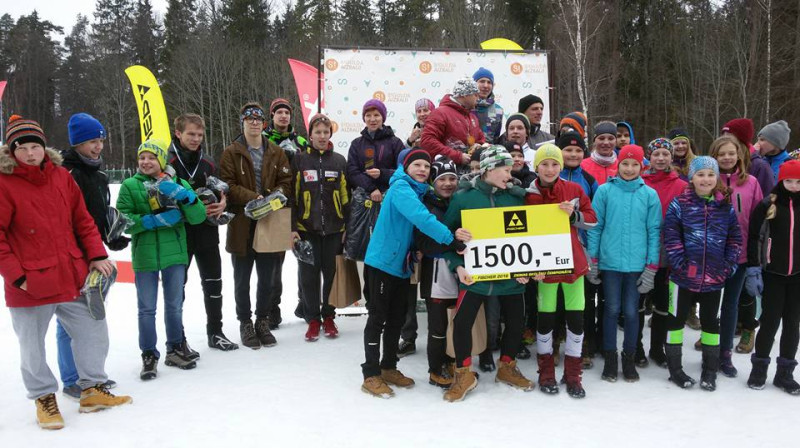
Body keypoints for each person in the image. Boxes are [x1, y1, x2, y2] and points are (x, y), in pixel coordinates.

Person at [1, 115, 131, 430]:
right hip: (30, 282)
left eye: (36, 146)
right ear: (12, 151)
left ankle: (92, 389)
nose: (31, 154)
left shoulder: (61, 176)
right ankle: (44, 397)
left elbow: (82, 220)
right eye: (24, 148)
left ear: (45, 147)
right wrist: (17, 276)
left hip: (72, 273)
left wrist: (97, 255)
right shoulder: (4, 183)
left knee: (93, 330)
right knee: (32, 345)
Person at [360, 149, 468, 398]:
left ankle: (388, 367)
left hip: (401, 264)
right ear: (406, 167)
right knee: (378, 317)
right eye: (417, 165)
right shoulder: (400, 188)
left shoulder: (421, 191)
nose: (422, 170)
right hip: (382, 263)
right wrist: (452, 240)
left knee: (397, 318)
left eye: (426, 166)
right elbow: (421, 219)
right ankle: (370, 373)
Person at [442, 146, 533, 402]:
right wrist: (457, 266)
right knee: (462, 323)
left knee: (516, 322)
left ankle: (507, 367)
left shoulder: (516, 197)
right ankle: (464, 374)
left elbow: (530, 237)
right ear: (488, 169)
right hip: (475, 276)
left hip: (511, 277)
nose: (510, 172)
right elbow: (445, 238)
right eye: (505, 169)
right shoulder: (463, 198)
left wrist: (529, 268)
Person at [118, 139, 208, 378]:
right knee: (146, 309)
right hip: (145, 256)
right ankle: (148, 354)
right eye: (142, 158)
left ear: (161, 160)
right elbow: (122, 220)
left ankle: (175, 348)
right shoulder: (129, 185)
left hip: (175, 255)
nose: (146, 162)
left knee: (174, 306)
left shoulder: (177, 182)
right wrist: (149, 221)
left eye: (151, 157)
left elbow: (198, 216)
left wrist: (185, 196)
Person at [57, 113, 125, 400]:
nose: (98, 147)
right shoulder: (65, 173)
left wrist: (112, 235)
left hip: (94, 252)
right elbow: (64, 219)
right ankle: (71, 378)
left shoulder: (98, 173)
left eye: (100, 140)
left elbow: (96, 216)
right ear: (77, 143)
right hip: (71, 256)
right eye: (91, 142)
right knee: (68, 318)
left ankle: (91, 375)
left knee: (91, 317)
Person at [663, 157, 742, 391]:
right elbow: (671, 236)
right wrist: (681, 264)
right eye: (700, 174)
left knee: (711, 323)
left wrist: (728, 265)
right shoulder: (680, 205)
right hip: (682, 278)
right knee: (675, 321)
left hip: (714, 278)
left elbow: (735, 239)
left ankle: (710, 369)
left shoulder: (724, 208)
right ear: (692, 177)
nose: (705, 179)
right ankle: (675, 370)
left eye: (710, 174)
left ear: (716, 178)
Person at [526, 144, 597, 398]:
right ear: (536, 167)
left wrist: (574, 214)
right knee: (545, 321)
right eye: (544, 164)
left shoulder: (575, 189)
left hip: (573, 266)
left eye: (554, 164)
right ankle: (546, 372)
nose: (549, 169)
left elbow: (592, 219)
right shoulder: (528, 194)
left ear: (561, 166)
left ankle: (573, 374)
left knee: (576, 321)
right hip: (544, 268)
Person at [219, 102, 291, 349]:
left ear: (264, 123)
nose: (254, 122)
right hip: (241, 223)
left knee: (268, 277)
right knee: (242, 277)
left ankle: (262, 320)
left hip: (269, 221)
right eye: (249, 118)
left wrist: (276, 195)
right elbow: (226, 184)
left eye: (258, 119)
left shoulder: (276, 152)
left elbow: (286, 180)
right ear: (243, 121)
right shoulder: (232, 151)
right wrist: (252, 197)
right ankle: (245, 322)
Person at [587, 145, 661, 383]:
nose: (629, 169)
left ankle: (629, 357)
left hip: (636, 266)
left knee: (631, 312)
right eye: (625, 164)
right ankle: (610, 358)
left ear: (642, 167)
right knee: (610, 309)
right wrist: (593, 260)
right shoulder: (605, 191)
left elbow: (654, 231)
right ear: (618, 165)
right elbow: (595, 227)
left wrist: (651, 267)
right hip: (610, 264)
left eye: (635, 164)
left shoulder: (649, 195)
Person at [168, 113, 238, 352]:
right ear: (178, 133)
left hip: (207, 232)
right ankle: (178, 340)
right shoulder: (167, 163)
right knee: (178, 289)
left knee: (213, 284)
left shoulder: (207, 162)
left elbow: (220, 191)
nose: (196, 139)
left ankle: (215, 332)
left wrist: (222, 203)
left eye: (200, 134)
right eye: (191, 134)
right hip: (179, 235)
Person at [291, 113, 348, 341]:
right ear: (311, 135)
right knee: (308, 276)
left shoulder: (339, 161)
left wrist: (347, 226)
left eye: (326, 132)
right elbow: (292, 196)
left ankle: (329, 316)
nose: (322, 136)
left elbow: (346, 196)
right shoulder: (300, 160)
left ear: (330, 134)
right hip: (306, 228)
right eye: (318, 132)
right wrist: (292, 227)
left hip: (334, 229)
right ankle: (313, 319)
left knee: (331, 275)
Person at [709, 135, 762, 377]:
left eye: (731, 153)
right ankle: (710, 351)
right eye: (722, 154)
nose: (727, 158)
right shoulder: (708, 180)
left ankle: (725, 353)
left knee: (730, 305)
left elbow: (757, 221)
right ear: (715, 157)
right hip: (710, 256)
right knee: (709, 307)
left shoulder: (750, 182)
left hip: (739, 257)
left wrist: (754, 257)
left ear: (739, 155)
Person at [746, 160, 800, 394]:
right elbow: (754, 237)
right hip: (773, 275)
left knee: (792, 324)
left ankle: (785, 373)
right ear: (780, 180)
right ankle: (759, 369)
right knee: (769, 322)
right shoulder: (768, 204)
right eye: (789, 181)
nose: (794, 186)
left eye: (799, 182)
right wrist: (754, 267)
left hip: (797, 276)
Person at [640, 138, 687, 368]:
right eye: (656, 153)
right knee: (637, 303)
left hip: (668, 254)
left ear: (671, 157)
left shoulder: (681, 185)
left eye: (665, 154)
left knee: (662, 305)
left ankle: (657, 348)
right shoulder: (639, 181)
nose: (660, 158)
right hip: (640, 252)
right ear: (650, 156)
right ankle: (636, 347)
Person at [413, 157, 460, 388]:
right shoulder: (427, 205)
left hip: (459, 271)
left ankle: (451, 361)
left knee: (456, 322)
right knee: (438, 324)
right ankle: (435, 368)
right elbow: (423, 242)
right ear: (434, 181)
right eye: (443, 179)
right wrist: (453, 245)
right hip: (435, 273)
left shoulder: (461, 203)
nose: (448, 184)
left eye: (452, 178)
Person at [264, 98, 310, 328]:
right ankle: (272, 309)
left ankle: (306, 304)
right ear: (272, 116)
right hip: (276, 206)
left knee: (304, 255)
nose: (283, 116)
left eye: (287, 112)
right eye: (279, 112)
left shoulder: (300, 140)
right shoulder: (264, 140)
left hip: (301, 204)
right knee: (275, 261)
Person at [558, 131, 599, 367]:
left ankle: (580, 346)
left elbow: (592, 217)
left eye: (577, 150)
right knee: (554, 301)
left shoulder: (589, 180)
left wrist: (575, 218)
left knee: (579, 301)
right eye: (568, 150)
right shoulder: (549, 175)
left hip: (578, 247)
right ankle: (555, 340)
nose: (573, 154)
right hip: (551, 249)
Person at [346, 99, 405, 204]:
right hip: (362, 202)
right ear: (364, 118)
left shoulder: (395, 142)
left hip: (390, 198)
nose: (372, 119)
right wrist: (371, 188)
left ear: (383, 117)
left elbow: (404, 171)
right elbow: (352, 172)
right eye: (368, 115)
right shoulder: (356, 144)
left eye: (376, 115)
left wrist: (382, 174)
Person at [420, 77, 485, 167]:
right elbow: (427, 141)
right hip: (446, 173)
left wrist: (479, 146)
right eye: (475, 95)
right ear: (465, 94)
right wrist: (457, 156)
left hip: (471, 172)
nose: (478, 98)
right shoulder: (440, 113)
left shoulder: (472, 117)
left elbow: (481, 139)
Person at [721, 118, 774, 196]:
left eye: (729, 138)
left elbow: (767, 199)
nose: (724, 141)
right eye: (723, 137)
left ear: (741, 141)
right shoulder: (723, 162)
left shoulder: (760, 166)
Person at [472, 67, 504, 143]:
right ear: (474, 84)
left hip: (488, 152)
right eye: (482, 81)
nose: (486, 85)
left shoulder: (498, 110)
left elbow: (496, 137)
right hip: (466, 152)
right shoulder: (466, 106)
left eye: (489, 82)